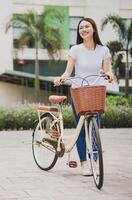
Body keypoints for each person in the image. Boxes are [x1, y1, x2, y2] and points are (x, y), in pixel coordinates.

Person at [54, 18, 113, 176]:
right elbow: (68, 72)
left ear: (93, 29)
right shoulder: (75, 49)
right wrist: (62, 78)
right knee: (80, 130)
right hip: (79, 92)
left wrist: (109, 75)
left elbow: (107, 70)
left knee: (94, 129)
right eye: (81, 27)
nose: (84, 29)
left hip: (96, 90)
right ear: (78, 32)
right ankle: (84, 163)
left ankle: (94, 160)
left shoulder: (103, 50)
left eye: (87, 26)